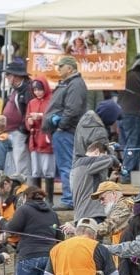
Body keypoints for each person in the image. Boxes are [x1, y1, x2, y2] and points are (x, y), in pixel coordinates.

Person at [43, 56, 88, 211]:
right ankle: (70, 198)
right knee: (66, 166)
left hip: (66, 131)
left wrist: (61, 125)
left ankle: (69, 199)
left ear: (70, 68)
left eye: (61, 66)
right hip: (65, 131)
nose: (58, 69)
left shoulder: (75, 84)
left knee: (66, 166)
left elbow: (73, 109)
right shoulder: (70, 83)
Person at [69, 142, 120, 223]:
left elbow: (92, 190)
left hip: (84, 216)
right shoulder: (86, 162)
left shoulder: (82, 165)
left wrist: (110, 181)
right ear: (96, 152)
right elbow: (111, 159)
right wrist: (118, 166)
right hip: (92, 216)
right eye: (103, 156)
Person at [25, 77, 55, 204]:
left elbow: (52, 117)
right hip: (34, 138)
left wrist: (41, 117)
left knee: (48, 169)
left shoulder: (51, 101)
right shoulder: (31, 103)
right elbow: (27, 118)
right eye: (35, 90)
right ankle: (38, 198)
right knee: (36, 169)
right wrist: (29, 122)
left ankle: (49, 199)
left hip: (46, 138)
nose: (38, 92)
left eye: (40, 90)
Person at [1, 62, 32, 181]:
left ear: (15, 76)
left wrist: (23, 128)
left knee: (21, 162)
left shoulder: (27, 90)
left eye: (8, 75)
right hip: (12, 131)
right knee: (15, 163)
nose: (7, 78)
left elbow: (29, 110)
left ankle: (25, 189)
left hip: (19, 132)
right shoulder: (17, 89)